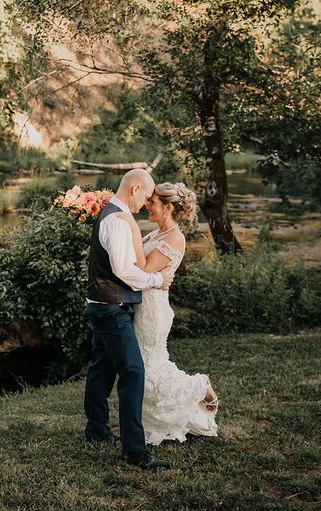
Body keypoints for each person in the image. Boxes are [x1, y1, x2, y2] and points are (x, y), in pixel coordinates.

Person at [116, 182, 219, 444]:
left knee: (147, 369)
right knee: (144, 367)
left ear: (168, 207)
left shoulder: (175, 238)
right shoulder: (157, 233)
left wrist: (131, 226)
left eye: (152, 202)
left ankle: (199, 387)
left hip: (153, 311)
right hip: (142, 307)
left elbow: (143, 267)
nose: (147, 206)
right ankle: (148, 422)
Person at [83, 169, 172, 469]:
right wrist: (156, 280)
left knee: (101, 369)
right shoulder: (118, 221)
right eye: (145, 196)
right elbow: (123, 270)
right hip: (111, 307)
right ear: (135, 189)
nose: (145, 203)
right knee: (133, 372)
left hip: (102, 304)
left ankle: (96, 430)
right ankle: (135, 452)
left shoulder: (113, 213)